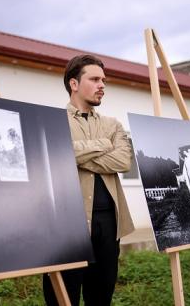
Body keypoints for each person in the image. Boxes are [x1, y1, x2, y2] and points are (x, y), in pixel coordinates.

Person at [43, 54, 135, 305]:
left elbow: (123, 162)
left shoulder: (112, 124)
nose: (102, 85)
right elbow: (56, 154)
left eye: (103, 80)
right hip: (66, 224)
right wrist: (103, 146)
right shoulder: (52, 121)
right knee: (62, 298)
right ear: (74, 84)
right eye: (94, 79)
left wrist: (75, 154)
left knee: (101, 297)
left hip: (108, 225)